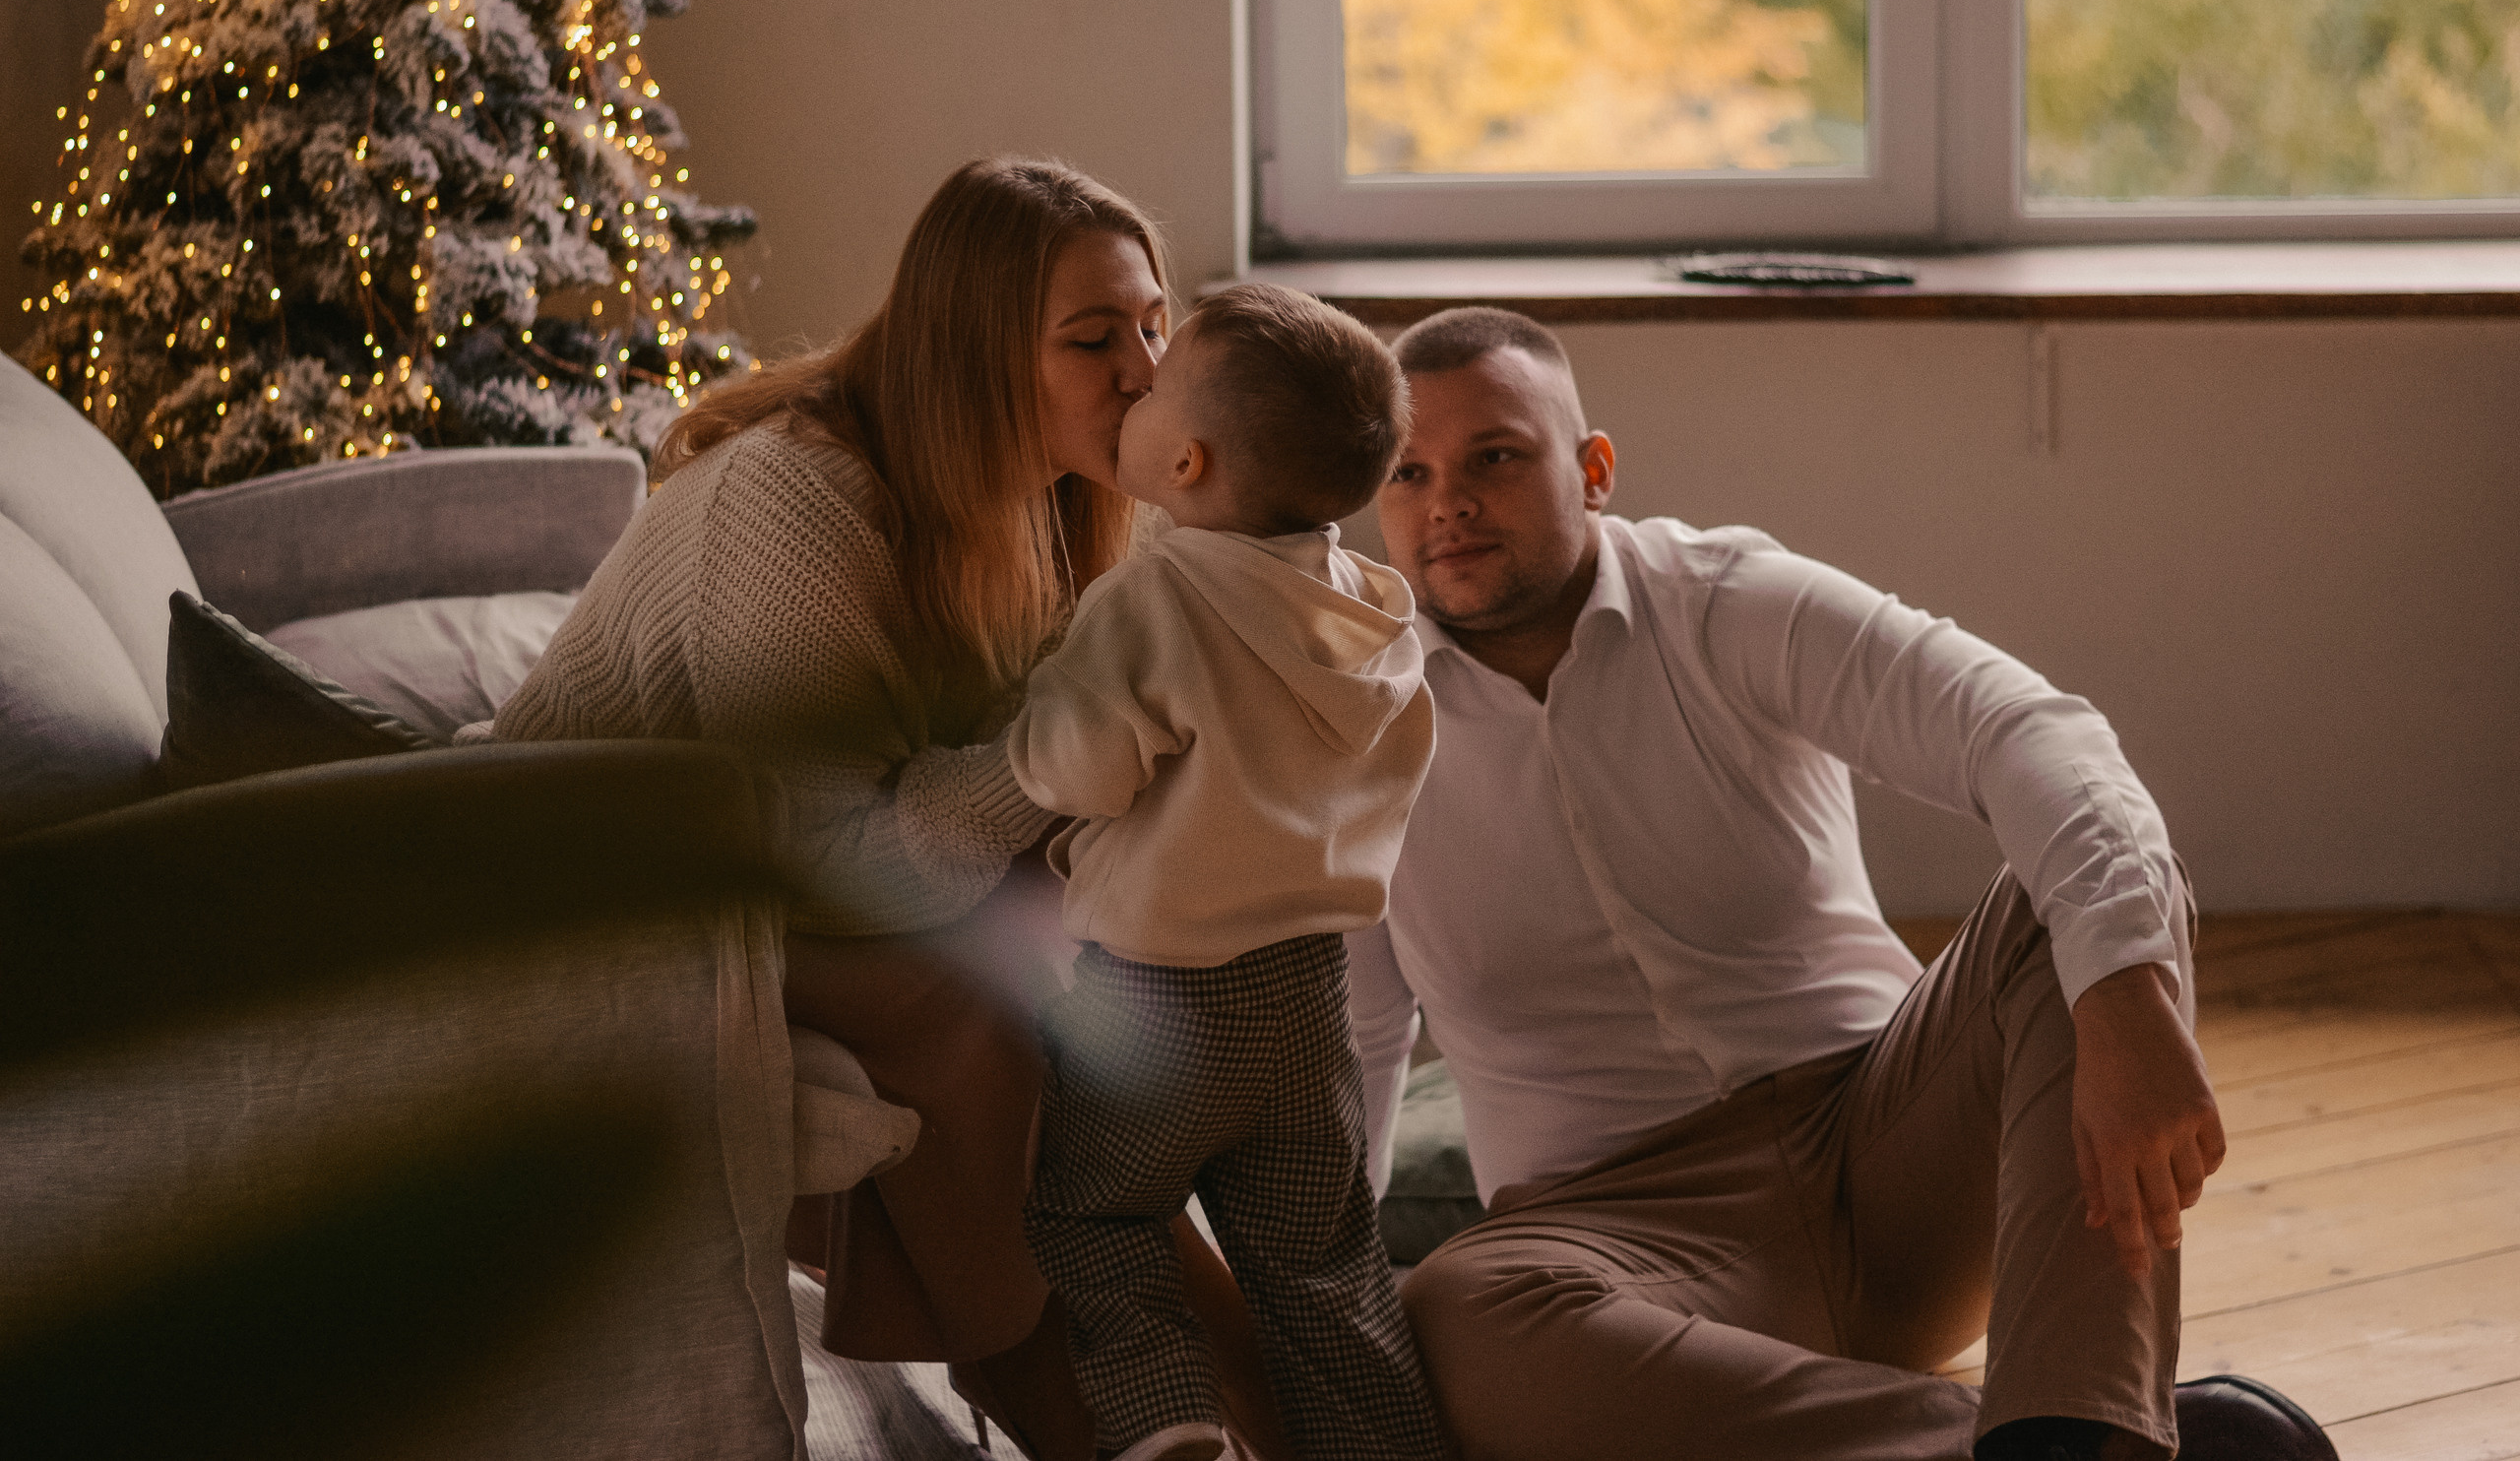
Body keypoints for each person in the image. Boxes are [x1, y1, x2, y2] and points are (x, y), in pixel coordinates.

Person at [1348, 306, 2339, 1461]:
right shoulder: (1355, 727)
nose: (1446, 502)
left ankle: (2068, 1419)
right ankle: (2051, 1444)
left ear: (1593, 470)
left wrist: (2124, 989)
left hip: (1892, 1155)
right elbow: (1358, 1035)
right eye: (1407, 473)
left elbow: (2023, 729)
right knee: (1458, 1314)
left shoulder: (1728, 600)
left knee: (2082, 894)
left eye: (1495, 458)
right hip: (1622, 1238)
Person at [489, 158, 1286, 1461]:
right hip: (608, 920)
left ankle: (1239, 1392)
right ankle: (1099, 1402)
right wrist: (1063, 757)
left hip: (789, 884)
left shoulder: (1059, 499)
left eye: (1153, 323)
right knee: (1004, 993)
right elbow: (843, 856)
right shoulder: (799, 499)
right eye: (1093, 340)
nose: (1146, 369)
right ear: (972, 358)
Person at [1006, 285, 1447, 1461]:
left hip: (1155, 998)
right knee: (1326, 1268)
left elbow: (1071, 774)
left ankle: (1171, 1419)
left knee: (1088, 1215)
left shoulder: (1153, 598)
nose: (1132, 386)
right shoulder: (1371, 614)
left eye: (1151, 390)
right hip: (1309, 1002)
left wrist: (1029, 698)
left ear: (1184, 461)